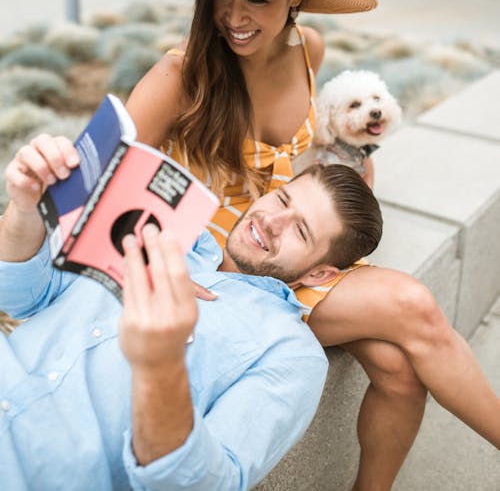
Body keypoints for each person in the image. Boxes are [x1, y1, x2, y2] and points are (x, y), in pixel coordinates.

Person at [122, 0, 500, 489]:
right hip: (225, 269)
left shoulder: (309, 49)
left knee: (400, 368)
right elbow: (90, 185)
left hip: (292, 240)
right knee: (416, 309)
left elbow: (302, 149)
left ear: (295, 0)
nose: (233, 17)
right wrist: (148, 261)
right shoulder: (180, 76)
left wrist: (349, 168)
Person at [0, 133, 382, 491]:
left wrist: (160, 369)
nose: (271, 221)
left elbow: (210, 483)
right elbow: (22, 295)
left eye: (301, 232)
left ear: (319, 273)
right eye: (282, 200)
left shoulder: (291, 353)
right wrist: (25, 207)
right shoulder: (165, 225)